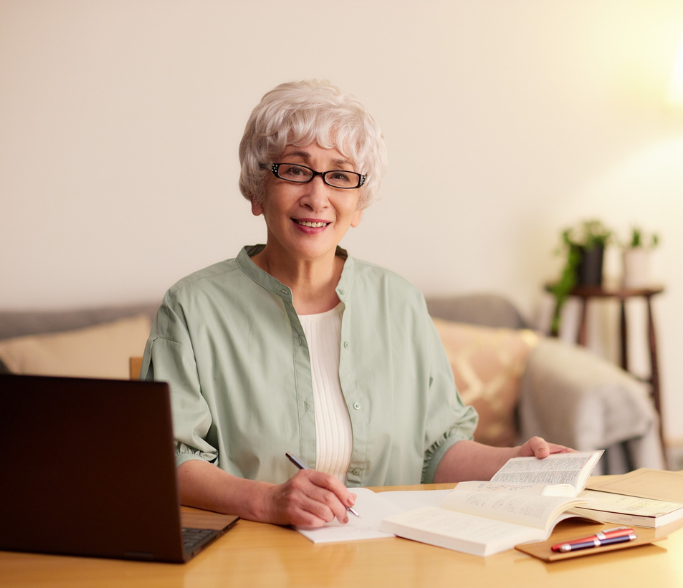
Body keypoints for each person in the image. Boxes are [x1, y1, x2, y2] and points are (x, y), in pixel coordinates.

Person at [140, 79, 572, 528]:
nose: (317, 196)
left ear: (359, 204)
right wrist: (268, 501)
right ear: (257, 188)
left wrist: (518, 462)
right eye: (294, 169)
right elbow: (170, 460)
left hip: (387, 552)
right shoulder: (192, 308)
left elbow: (436, 451)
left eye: (341, 176)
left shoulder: (399, 302)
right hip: (254, 553)